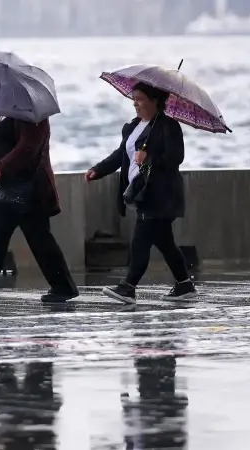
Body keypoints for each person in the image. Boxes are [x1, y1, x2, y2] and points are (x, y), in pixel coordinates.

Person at [85, 82, 197, 304]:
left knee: (141, 239)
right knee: (164, 241)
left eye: (140, 99)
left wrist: (149, 159)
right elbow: (121, 155)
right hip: (140, 192)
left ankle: (129, 286)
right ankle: (185, 285)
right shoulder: (134, 126)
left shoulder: (168, 127)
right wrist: (98, 169)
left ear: (155, 101)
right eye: (133, 98)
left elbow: (175, 159)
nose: (135, 103)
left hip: (160, 194)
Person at [0, 116, 79, 306]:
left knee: (41, 241)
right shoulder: (3, 115)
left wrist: (1, 166)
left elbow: (28, 147)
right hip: (4, 189)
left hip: (29, 191)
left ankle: (64, 287)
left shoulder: (33, 116)